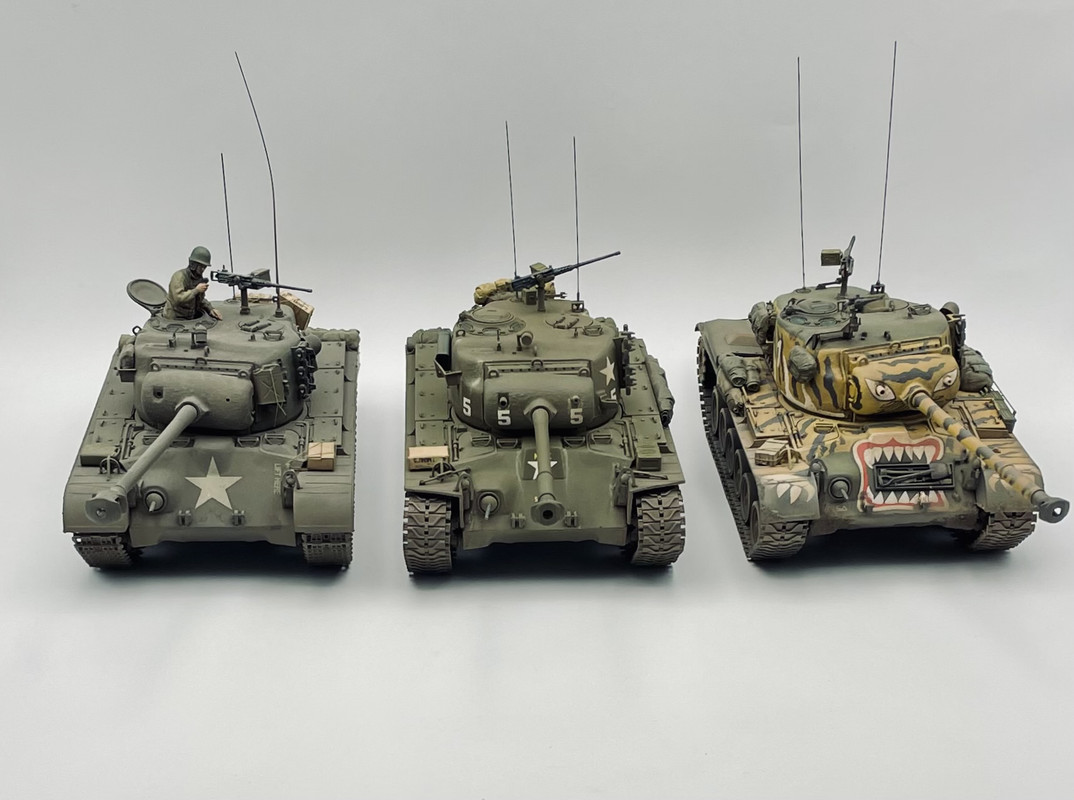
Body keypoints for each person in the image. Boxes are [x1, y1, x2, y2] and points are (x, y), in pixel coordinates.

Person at [163, 246, 223, 320]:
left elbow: (199, 300)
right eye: (201, 266)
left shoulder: (198, 278)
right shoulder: (179, 277)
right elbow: (178, 299)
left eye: (204, 267)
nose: (203, 269)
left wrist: (210, 308)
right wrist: (196, 290)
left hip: (190, 317)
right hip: (175, 319)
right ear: (193, 264)